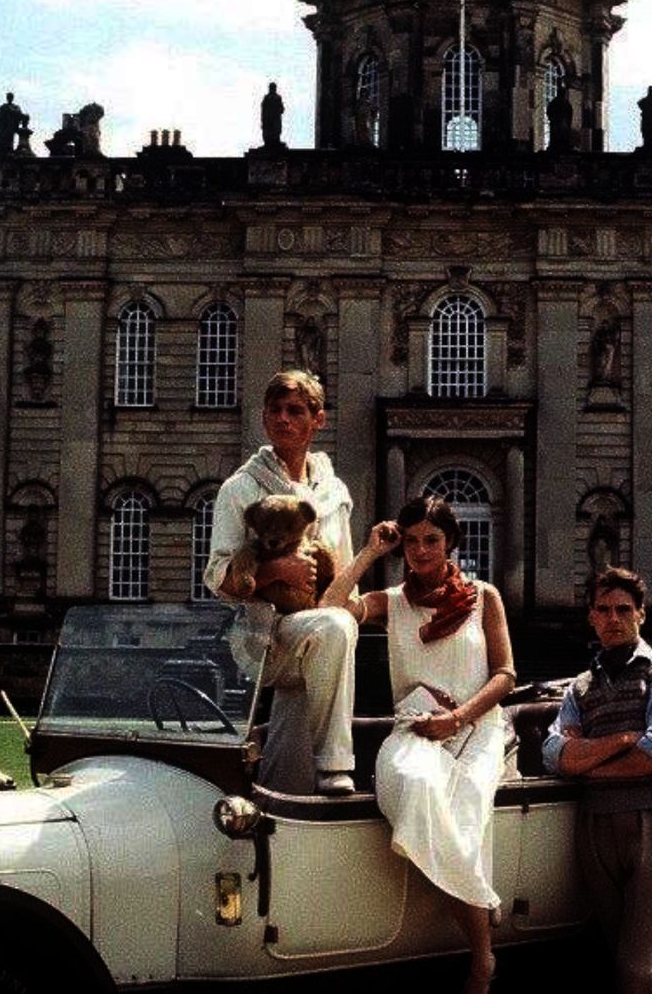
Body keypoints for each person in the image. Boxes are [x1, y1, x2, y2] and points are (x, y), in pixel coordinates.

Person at [319, 495, 516, 994]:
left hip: (476, 727)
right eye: (410, 541)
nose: (420, 551)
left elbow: (506, 675)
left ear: (450, 542)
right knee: (414, 783)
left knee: (464, 805)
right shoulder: (393, 601)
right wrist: (368, 553)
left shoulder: (485, 596)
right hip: (413, 727)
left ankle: (479, 960)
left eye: (431, 540)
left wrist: (457, 718)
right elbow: (328, 609)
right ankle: (482, 911)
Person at [204, 369, 357, 796]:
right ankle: (335, 766)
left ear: (318, 419)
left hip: (316, 629)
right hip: (261, 635)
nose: (283, 419)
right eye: (274, 411)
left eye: (294, 411)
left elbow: (341, 575)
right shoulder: (241, 487)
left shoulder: (334, 490)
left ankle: (288, 800)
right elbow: (217, 577)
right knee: (335, 629)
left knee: (336, 629)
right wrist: (275, 571)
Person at [542, 567, 652, 994]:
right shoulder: (580, 688)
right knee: (610, 947)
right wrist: (623, 740)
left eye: (624, 609)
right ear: (591, 616)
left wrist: (586, 761)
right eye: (603, 609)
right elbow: (554, 754)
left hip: (646, 817)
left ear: (640, 614)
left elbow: (650, 756)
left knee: (638, 965)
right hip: (593, 827)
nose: (613, 618)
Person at [260, 83, 284, 148]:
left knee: (275, 132)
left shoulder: (277, 98)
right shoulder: (267, 98)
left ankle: (274, 142)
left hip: (274, 120)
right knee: (268, 132)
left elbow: (281, 109)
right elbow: (263, 110)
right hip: (268, 120)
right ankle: (269, 143)